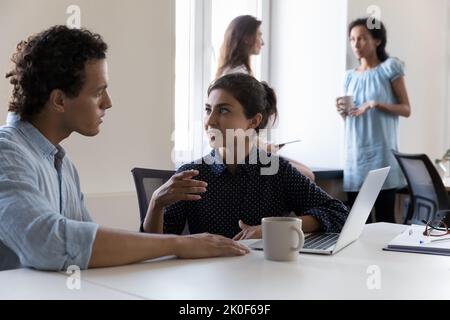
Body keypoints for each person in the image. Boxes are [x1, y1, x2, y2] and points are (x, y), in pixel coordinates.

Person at [0, 26, 249, 272]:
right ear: (59, 100)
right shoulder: (6, 153)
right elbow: (49, 243)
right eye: (98, 92)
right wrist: (180, 243)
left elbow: (88, 248)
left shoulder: (62, 164)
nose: (108, 102)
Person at [144, 73, 348, 239]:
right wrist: (156, 203)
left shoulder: (276, 170)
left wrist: (272, 229)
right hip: (207, 280)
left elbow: (338, 213)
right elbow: (154, 246)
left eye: (223, 111)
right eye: (208, 109)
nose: (210, 121)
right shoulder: (192, 175)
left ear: (253, 122)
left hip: (265, 278)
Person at [216, 15, 315, 181]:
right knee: (306, 175)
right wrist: (262, 147)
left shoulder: (233, 72)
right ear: (247, 38)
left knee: (306, 172)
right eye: (259, 35)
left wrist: (264, 146)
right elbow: (238, 130)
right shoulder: (238, 77)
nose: (262, 41)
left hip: (245, 148)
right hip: (240, 154)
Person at [336, 17, 411, 223]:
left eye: (362, 38)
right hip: (355, 160)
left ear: (377, 40)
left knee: (386, 223)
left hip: (382, 158)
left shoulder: (390, 68)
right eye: (352, 39)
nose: (356, 44)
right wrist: (342, 112)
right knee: (358, 226)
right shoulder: (349, 76)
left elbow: (406, 109)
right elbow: (351, 120)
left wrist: (375, 103)